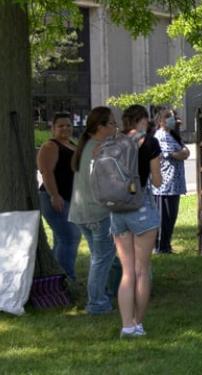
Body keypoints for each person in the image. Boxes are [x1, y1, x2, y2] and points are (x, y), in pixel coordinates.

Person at [110, 105, 162, 338]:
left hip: (117, 209)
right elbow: (159, 181)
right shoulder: (150, 142)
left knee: (127, 272)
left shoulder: (113, 142)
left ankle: (126, 325)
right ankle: (137, 323)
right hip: (140, 208)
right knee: (142, 271)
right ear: (142, 120)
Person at [69, 107, 117, 315]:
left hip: (81, 213)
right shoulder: (99, 149)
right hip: (97, 213)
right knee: (101, 259)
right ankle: (97, 303)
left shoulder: (87, 146)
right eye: (112, 123)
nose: (116, 127)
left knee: (99, 257)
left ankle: (103, 295)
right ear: (100, 127)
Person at [37, 112, 81, 280]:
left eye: (68, 125)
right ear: (53, 128)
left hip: (69, 199)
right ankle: (67, 279)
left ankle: (57, 277)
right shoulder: (50, 146)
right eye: (61, 125)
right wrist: (54, 195)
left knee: (62, 239)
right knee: (70, 237)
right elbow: (46, 172)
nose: (65, 128)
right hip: (54, 198)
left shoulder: (71, 144)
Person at [152, 111, 189, 254]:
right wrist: (181, 153)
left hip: (176, 183)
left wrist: (181, 153)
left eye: (172, 117)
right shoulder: (160, 136)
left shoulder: (173, 135)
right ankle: (160, 246)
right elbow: (177, 154)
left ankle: (166, 245)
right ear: (161, 121)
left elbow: (185, 152)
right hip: (165, 185)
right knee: (164, 217)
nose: (172, 120)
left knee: (171, 216)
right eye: (168, 117)